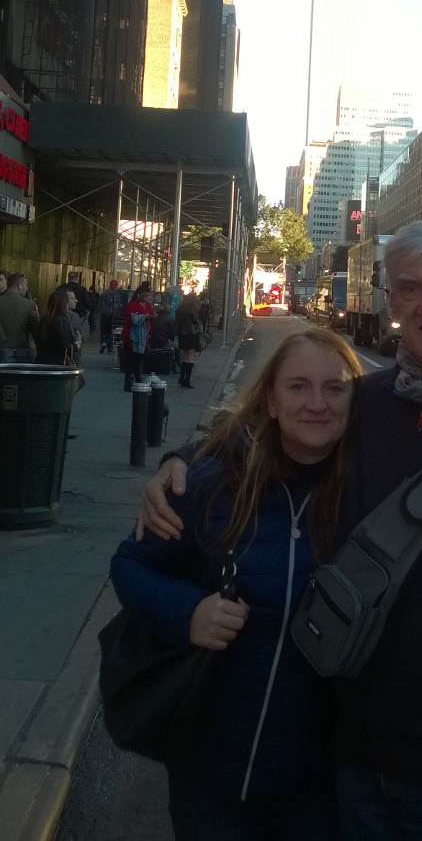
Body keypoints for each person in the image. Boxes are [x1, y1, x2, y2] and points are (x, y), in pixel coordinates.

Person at [141, 220, 422, 841]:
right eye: (410, 288)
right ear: (389, 301)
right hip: (356, 761)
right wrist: (182, 460)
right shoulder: (363, 403)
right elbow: (273, 433)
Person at [111, 328, 364, 840]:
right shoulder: (212, 482)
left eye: (334, 388)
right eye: (298, 386)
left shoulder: (369, 493)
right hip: (213, 776)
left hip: (318, 785)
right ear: (270, 401)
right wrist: (188, 613)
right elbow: (131, 565)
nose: (316, 403)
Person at [121, 281, 155, 392]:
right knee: (131, 361)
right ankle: (129, 383)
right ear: (139, 295)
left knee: (139, 361)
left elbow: (150, 314)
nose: (146, 298)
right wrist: (146, 317)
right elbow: (131, 319)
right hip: (131, 337)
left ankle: (138, 380)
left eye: (147, 296)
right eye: (144, 296)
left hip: (143, 336)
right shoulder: (132, 304)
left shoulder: (147, 305)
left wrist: (151, 317)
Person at [0, 271, 40, 361]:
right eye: (25, 285)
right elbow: (37, 331)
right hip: (20, 355)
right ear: (19, 286)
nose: (26, 288)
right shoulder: (29, 305)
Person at [35, 290, 77, 365]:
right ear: (64, 303)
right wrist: (77, 345)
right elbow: (63, 347)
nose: (76, 301)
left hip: (42, 360)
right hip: (57, 363)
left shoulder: (46, 319)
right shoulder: (61, 321)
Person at [175, 292, 202, 388]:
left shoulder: (180, 309)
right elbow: (196, 323)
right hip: (191, 335)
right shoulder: (191, 310)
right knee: (190, 358)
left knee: (184, 357)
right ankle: (187, 380)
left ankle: (181, 377)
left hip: (182, 335)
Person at [98, 280, 119, 353]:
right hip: (113, 315)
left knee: (103, 330)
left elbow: (100, 303)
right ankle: (110, 347)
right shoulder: (117, 294)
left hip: (104, 314)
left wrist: (99, 312)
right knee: (111, 331)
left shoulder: (104, 293)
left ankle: (103, 343)